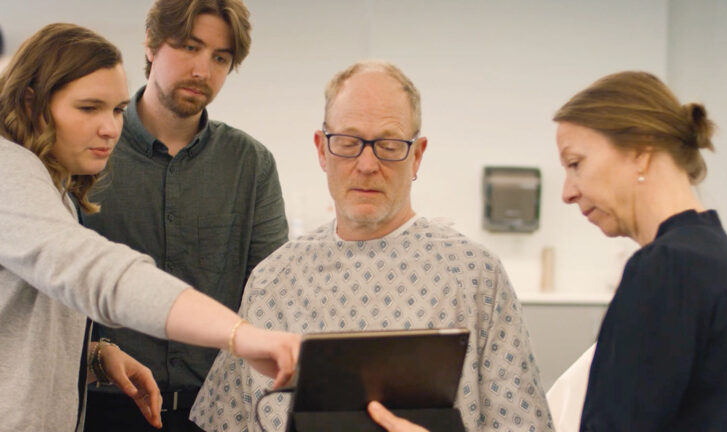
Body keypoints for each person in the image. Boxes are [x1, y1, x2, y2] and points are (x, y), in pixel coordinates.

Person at [189, 60, 553, 432]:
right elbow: (224, 420)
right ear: (321, 149)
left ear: (417, 155)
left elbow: (525, 424)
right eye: (348, 143)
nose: (366, 164)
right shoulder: (273, 282)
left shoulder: (475, 276)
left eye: (389, 145)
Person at [0, 23, 298, 432]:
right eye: (88, 108)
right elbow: (100, 273)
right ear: (32, 103)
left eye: (117, 110)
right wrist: (239, 335)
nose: (109, 128)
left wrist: (94, 357)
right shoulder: (6, 172)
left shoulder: (59, 194)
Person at [81, 0, 288, 430]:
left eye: (220, 58)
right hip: (100, 404)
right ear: (152, 46)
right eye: (190, 47)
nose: (202, 70)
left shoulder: (250, 164)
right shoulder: (90, 151)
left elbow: (271, 293)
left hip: (213, 411)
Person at [552, 71, 727, 431]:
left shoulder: (667, 267)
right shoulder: (725, 261)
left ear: (640, 149)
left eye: (575, 164)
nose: (567, 192)